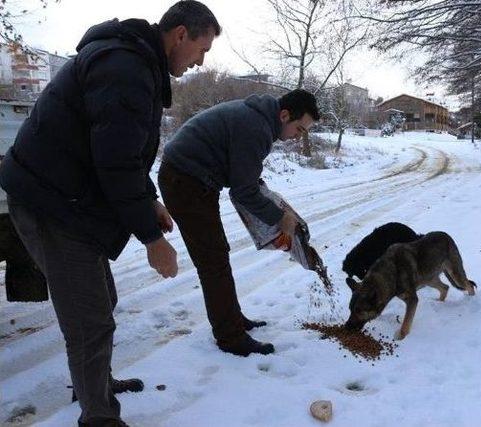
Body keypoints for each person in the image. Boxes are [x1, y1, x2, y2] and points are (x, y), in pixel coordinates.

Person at [0, 1, 221, 425]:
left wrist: (149, 199)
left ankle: (95, 385)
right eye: (202, 50)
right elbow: (115, 163)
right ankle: (99, 416)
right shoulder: (126, 68)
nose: (199, 62)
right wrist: (152, 241)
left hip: (67, 197)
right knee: (89, 320)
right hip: (49, 203)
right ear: (180, 36)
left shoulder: (135, 63)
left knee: (103, 302)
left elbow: (125, 152)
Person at [159, 89, 320, 356]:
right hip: (185, 180)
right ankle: (230, 337)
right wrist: (280, 218)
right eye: (299, 129)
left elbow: (244, 179)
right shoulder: (256, 127)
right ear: (284, 115)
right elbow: (243, 191)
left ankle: (232, 320)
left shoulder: (258, 119)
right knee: (213, 260)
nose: (298, 137)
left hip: (192, 178)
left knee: (217, 256)